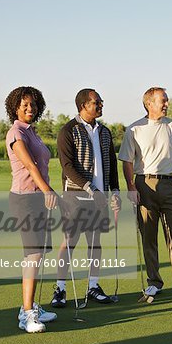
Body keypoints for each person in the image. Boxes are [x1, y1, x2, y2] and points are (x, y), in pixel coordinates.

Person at [119, 87, 172, 302]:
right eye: (162, 101)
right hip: (143, 184)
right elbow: (127, 160)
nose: (166, 104)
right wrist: (131, 186)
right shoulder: (134, 129)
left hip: (169, 185)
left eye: (166, 101)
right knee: (149, 237)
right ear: (149, 103)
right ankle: (154, 282)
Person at [51, 88, 121, 307]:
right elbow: (67, 167)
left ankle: (93, 286)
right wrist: (91, 189)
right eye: (96, 102)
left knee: (95, 243)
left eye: (100, 101)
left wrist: (116, 192)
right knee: (70, 241)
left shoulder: (105, 132)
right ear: (83, 105)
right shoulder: (68, 131)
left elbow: (112, 164)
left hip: (100, 197)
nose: (101, 105)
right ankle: (60, 289)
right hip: (76, 195)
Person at [5, 86, 58, 333]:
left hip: (38, 199)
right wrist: (48, 190)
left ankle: (30, 306)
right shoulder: (16, 133)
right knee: (33, 255)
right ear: (15, 107)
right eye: (24, 104)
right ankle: (27, 314)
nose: (30, 108)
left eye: (33, 105)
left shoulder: (32, 132)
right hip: (26, 200)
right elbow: (29, 165)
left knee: (38, 254)